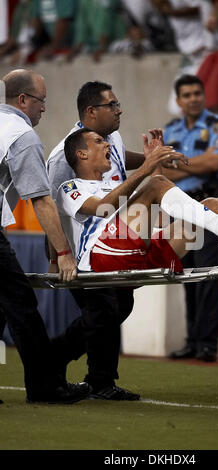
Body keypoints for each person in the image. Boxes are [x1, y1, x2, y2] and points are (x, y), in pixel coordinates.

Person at [47, 80, 164, 400]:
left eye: (117, 103)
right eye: (111, 105)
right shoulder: (62, 156)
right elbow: (49, 206)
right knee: (102, 314)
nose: (119, 109)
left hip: (115, 243)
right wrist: (59, 254)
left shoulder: (110, 137)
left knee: (116, 310)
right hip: (84, 251)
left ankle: (88, 374)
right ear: (90, 111)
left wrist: (150, 157)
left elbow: (121, 158)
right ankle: (78, 370)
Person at [57, 128, 218, 282]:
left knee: (214, 204)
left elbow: (160, 208)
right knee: (155, 185)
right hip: (102, 258)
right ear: (82, 154)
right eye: (99, 141)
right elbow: (103, 208)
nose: (108, 145)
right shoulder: (70, 187)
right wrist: (147, 167)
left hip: (139, 253)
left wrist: (155, 165)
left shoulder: (115, 184)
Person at [0, 68, 90, 404]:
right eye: (41, 101)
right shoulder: (19, 135)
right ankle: (45, 386)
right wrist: (63, 252)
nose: (44, 108)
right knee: (21, 304)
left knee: (4, 305)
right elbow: (40, 199)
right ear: (23, 100)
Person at [163, 74, 218, 362]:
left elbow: (215, 162)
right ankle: (192, 340)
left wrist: (180, 164)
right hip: (179, 208)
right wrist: (195, 164)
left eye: (197, 93)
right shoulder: (170, 129)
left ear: (203, 96)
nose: (193, 98)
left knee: (208, 273)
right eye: (187, 94)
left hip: (207, 206)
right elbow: (160, 172)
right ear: (179, 100)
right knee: (185, 274)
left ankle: (207, 343)